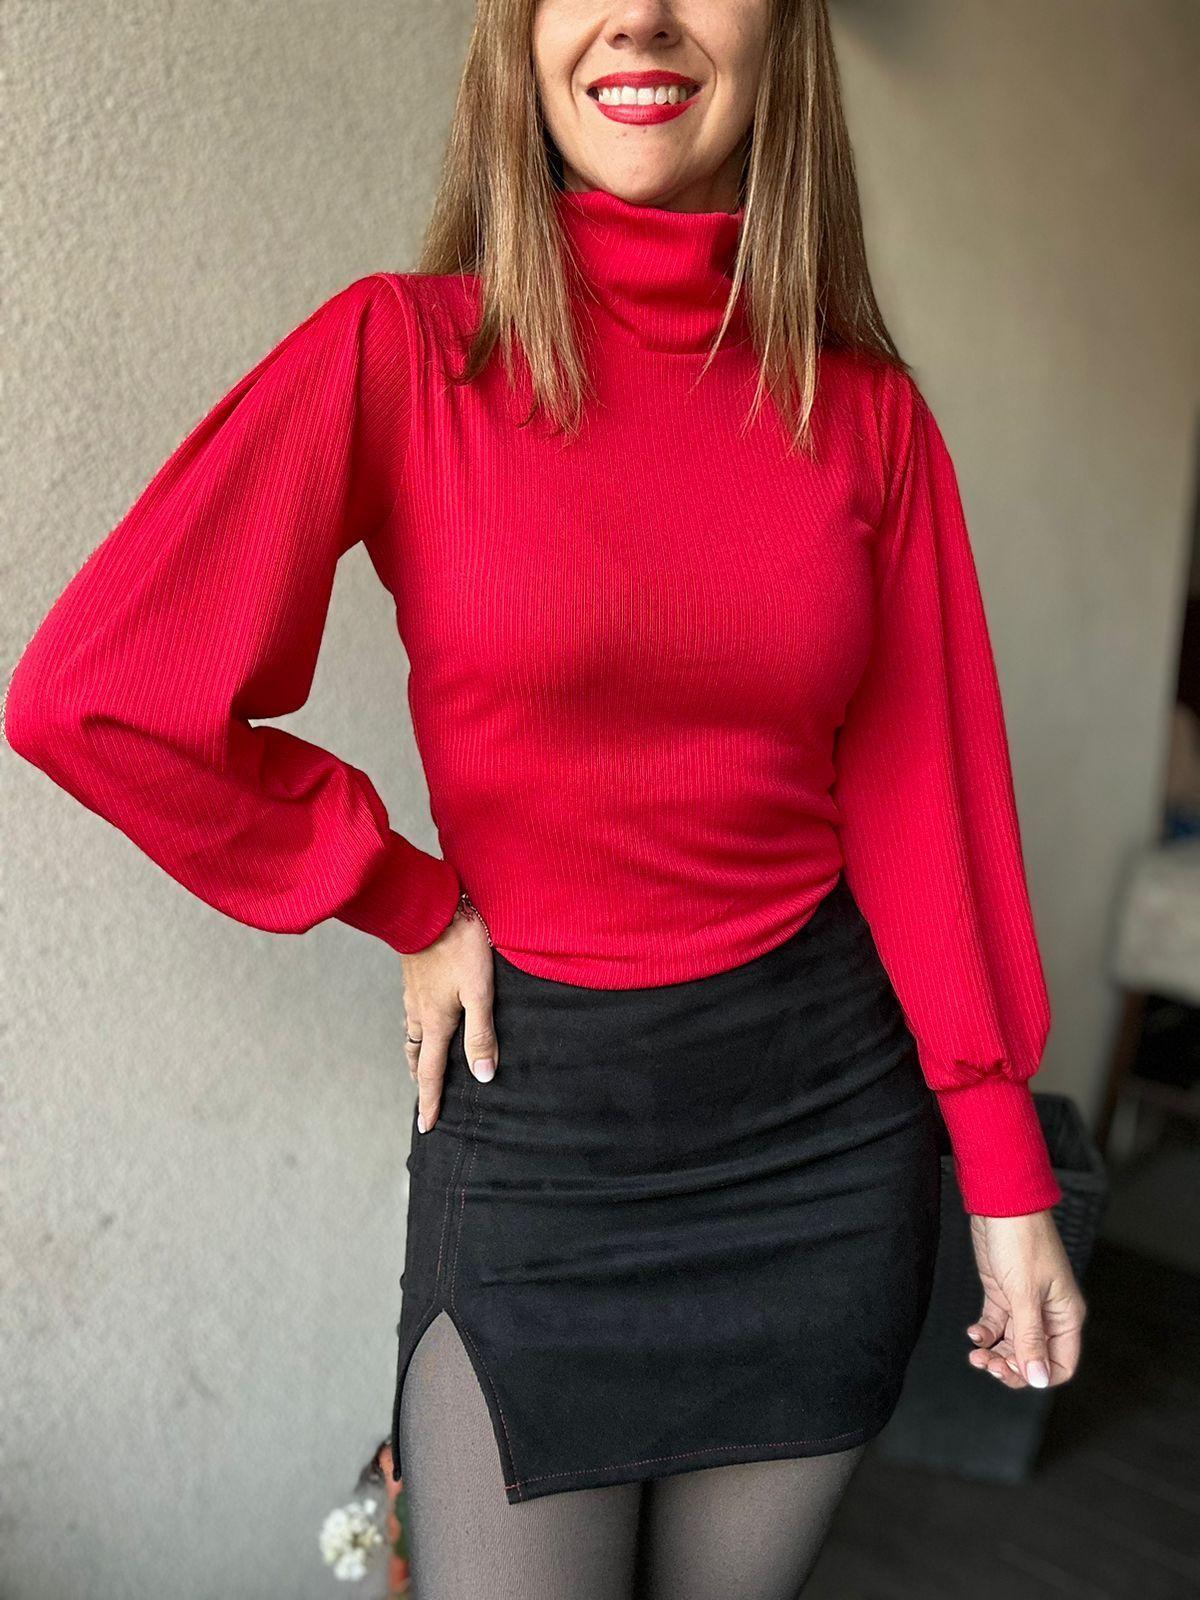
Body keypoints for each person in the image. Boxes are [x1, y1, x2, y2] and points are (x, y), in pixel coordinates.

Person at [4, 1, 1088, 1596]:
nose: (640, 13)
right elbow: (96, 694)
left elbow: (925, 805)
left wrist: (1004, 1171)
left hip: (820, 1142)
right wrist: (399, 890)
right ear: (518, 32)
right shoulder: (401, 352)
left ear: (782, 33)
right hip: (537, 1135)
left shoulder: (867, 416)